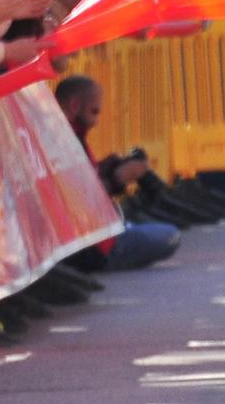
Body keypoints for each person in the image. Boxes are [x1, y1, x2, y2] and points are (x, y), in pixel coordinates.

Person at [54, 76, 182, 272]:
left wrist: (108, 167)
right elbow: (78, 197)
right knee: (170, 235)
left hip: (84, 237)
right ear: (74, 106)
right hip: (92, 245)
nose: (97, 121)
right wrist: (117, 179)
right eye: (94, 111)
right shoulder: (65, 139)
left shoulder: (61, 134)